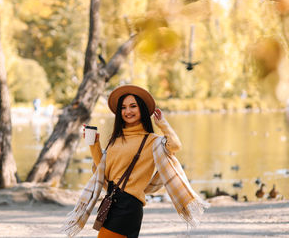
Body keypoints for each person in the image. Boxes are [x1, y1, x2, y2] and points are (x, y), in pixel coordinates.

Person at [63, 85, 209, 238]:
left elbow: (175, 145)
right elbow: (103, 171)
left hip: (129, 205)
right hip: (112, 202)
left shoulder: (152, 141)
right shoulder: (116, 139)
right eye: (124, 107)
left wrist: (163, 124)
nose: (128, 111)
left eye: (133, 106)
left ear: (142, 109)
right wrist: (94, 144)